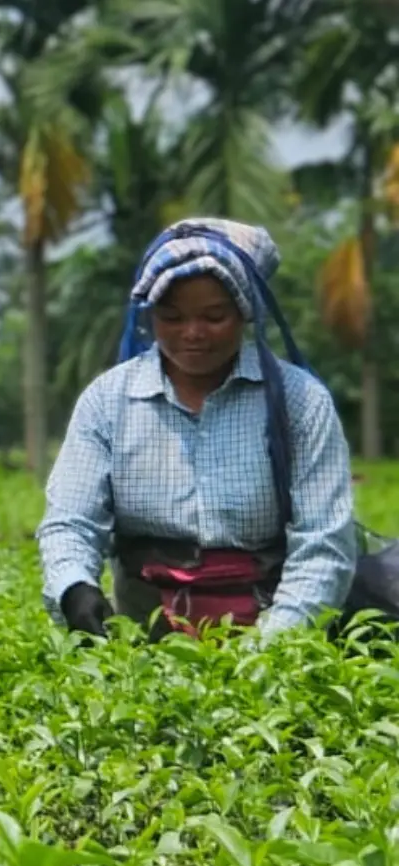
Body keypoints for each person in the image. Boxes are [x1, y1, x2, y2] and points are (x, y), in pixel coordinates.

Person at [38, 218, 357, 641]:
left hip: (272, 632)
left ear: (246, 313)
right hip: (144, 640)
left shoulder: (301, 403)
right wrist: (74, 588)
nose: (192, 333)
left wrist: (270, 649)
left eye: (214, 316)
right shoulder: (108, 401)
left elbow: (324, 543)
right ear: (149, 315)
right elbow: (71, 521)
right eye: (171, 317)